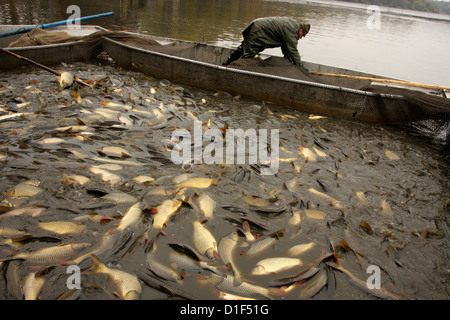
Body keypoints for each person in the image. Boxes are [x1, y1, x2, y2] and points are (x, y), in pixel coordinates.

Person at [222, 17, 310, 70]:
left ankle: (227, 63)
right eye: (302, 35)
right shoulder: (292, 30)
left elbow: (286, 47)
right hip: (259, 31)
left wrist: (288, 57)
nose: (301, 37)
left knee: (244, 47)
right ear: (301, 29)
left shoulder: (292, 25)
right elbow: (293, 50)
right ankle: (233, 69)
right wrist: (300, 67)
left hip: (258, 25)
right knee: (248, 56)